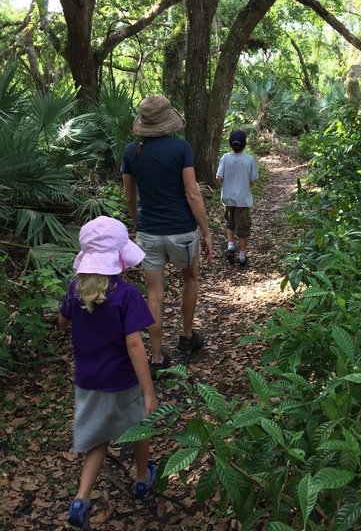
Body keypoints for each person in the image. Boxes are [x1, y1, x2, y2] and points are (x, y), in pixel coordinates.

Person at [59, 216, 159, 530]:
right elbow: (134, 344)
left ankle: (81, 498)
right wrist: (148, 391)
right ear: (120, 258)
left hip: (88, 381)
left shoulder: (76, 289)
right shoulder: (126, 294)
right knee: (139, 430)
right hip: (122, 381)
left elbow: (63, 322)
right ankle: (142, 478)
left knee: (98, 440)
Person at [121, 94, 213, 380]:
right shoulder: (181, 148)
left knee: (155, 295)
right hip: (182, 232)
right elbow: (192, 192)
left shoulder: (131, 152)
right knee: (190, 279)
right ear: (168, 119)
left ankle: (157, 358)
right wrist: (207, 231)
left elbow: (129, 197)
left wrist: (140, 224)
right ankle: (186, 336)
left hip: (149, 232)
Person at [216, 130, 258, 266]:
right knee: (242, 228)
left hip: (228, 198)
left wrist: (228, 182)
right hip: (242, 199)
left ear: (230, 143)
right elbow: (253, 181)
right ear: (245, 144)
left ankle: (230, 246)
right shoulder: (249, 159)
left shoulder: (225, 158)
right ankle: (242, 257)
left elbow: (218, 177)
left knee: (230, 222)